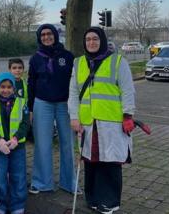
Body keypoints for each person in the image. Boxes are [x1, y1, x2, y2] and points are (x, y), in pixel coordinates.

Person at [68, 27, 135, 214]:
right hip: (88, 122)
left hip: (111, 122)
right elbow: (73, 93)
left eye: (95, 39)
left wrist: (128, 115)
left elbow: (128, 90)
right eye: (88, 39)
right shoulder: (78, 63)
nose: (91, 42)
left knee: (110, 162)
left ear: (102, 40)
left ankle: (110, 201)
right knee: (90, 161)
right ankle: (93, 199)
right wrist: (74, 117)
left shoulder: (118, 61)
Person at [28, 24, 76, 194]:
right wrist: (30, 108)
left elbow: (75, 83)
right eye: (43, 34)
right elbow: (31, 83)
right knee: (42, 144)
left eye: (49, 34)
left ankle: (69, 183)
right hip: (42, 103)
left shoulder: (68, 56)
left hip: (65, 104)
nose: (46, 37)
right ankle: (42, 182)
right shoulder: (35, 58)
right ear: (39, 37)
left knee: (68, 143)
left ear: (55, 35)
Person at [0, 73, 28, 214]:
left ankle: (17, 204)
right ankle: (0, 204)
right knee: (0, 176)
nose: (6, 90)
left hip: (17, 146)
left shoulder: (22, 102)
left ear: (14, 88)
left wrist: (16, 138)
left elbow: (25, 123)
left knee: (18, 176)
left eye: (9, 87)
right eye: (2, 87)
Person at [8, 58, 31, 142]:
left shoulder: (24, 83)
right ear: (9, 70)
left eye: (20, 68)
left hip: (20, 113)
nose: (17, 70)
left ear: (23, 69)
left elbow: (26, 98)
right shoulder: (6, 82)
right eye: (14, 68)